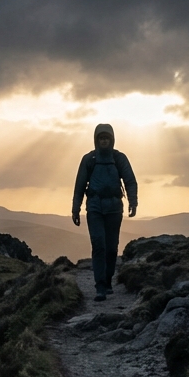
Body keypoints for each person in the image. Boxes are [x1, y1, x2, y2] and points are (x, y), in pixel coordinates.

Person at [71, 123, 137, 301]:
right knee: (99, 244)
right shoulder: (89, 159)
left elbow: (130, 181)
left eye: (107, 138)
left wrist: (133, 202)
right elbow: (79, 186)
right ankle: (100, 286)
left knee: (111, 247)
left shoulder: (119, 158)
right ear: (96, 140)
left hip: (115, 207)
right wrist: (75, 209)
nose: (104, 141)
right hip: (94, 206)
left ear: (112, 139)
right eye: (101, 138)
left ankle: (107, 281)